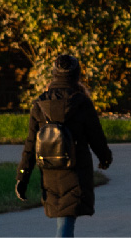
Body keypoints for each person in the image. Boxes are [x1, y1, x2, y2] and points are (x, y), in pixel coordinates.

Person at [16, 54, 113, 238]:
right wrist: (105, 158)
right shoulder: (81, 102)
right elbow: (96, 137)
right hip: (76, 169)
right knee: (66, 219)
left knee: (64, 218)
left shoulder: (40, 104)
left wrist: (22, 176)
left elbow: (30, 145)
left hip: (49, 170)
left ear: (54, 74)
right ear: (76, 75)